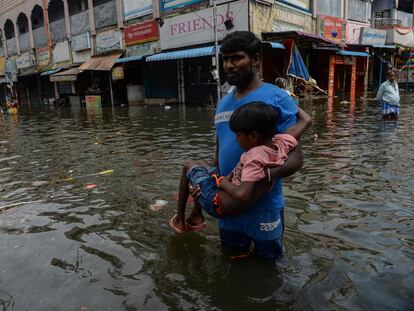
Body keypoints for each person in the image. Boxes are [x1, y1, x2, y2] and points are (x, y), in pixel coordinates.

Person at [195, 31, 305, 261]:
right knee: (232, 261)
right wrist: (209, 186)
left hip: (264, 206)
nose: (228, 65)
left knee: (268, 267)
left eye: (236, 58)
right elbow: (219, 155)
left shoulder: (277, 97)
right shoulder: (222, 103)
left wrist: (253, 184)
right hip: (228, 206)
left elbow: (295, 158)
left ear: (255, 59)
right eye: (225, 59)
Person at [169, 103, 311, 236]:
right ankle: (196, 215)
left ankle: (180, 221)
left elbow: (242, 194)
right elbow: (306, 120)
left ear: (253, 136)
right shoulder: (280, 143)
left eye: (238, 135)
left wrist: (223, 182)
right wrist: (289, 103)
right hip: (230, 195)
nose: (236, 140)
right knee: (201, 164)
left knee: (188, 165)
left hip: (217, 203)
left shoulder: (253, 157)